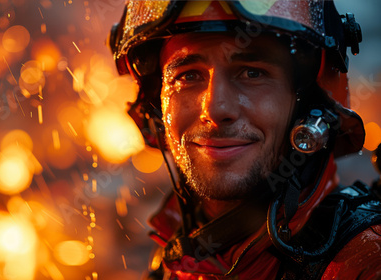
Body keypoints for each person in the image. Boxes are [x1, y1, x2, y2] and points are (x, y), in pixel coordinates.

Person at [108, 1, 381, 279]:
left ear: (308, 106)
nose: (215, 110)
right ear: (156, 110)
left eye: (252, 73)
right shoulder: (176, 257)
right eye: (188, 76)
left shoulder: (364, 261)